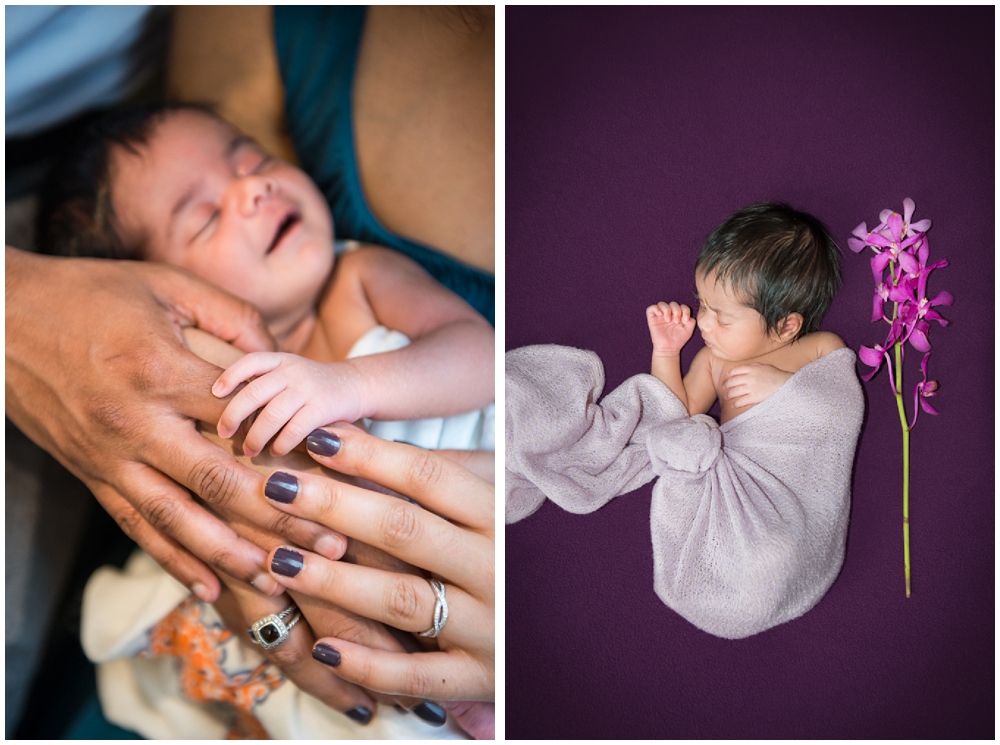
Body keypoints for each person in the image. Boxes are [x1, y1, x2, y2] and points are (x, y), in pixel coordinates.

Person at [37, 104, 493, 737]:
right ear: (161, 298)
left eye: (253, 159)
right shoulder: (190, 390)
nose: (255, 188)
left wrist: (348, 383)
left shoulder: (355, 278)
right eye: (205, 218)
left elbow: (477, 352)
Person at [645, 202, 845, 423]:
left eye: (722, 318)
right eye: (702, 304)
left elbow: (843, 405)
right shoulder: (712, 361)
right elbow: (672, 418)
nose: (702, 323)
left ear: (785, 327)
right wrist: (666, 353)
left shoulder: (820, 348)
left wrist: (784, 385)